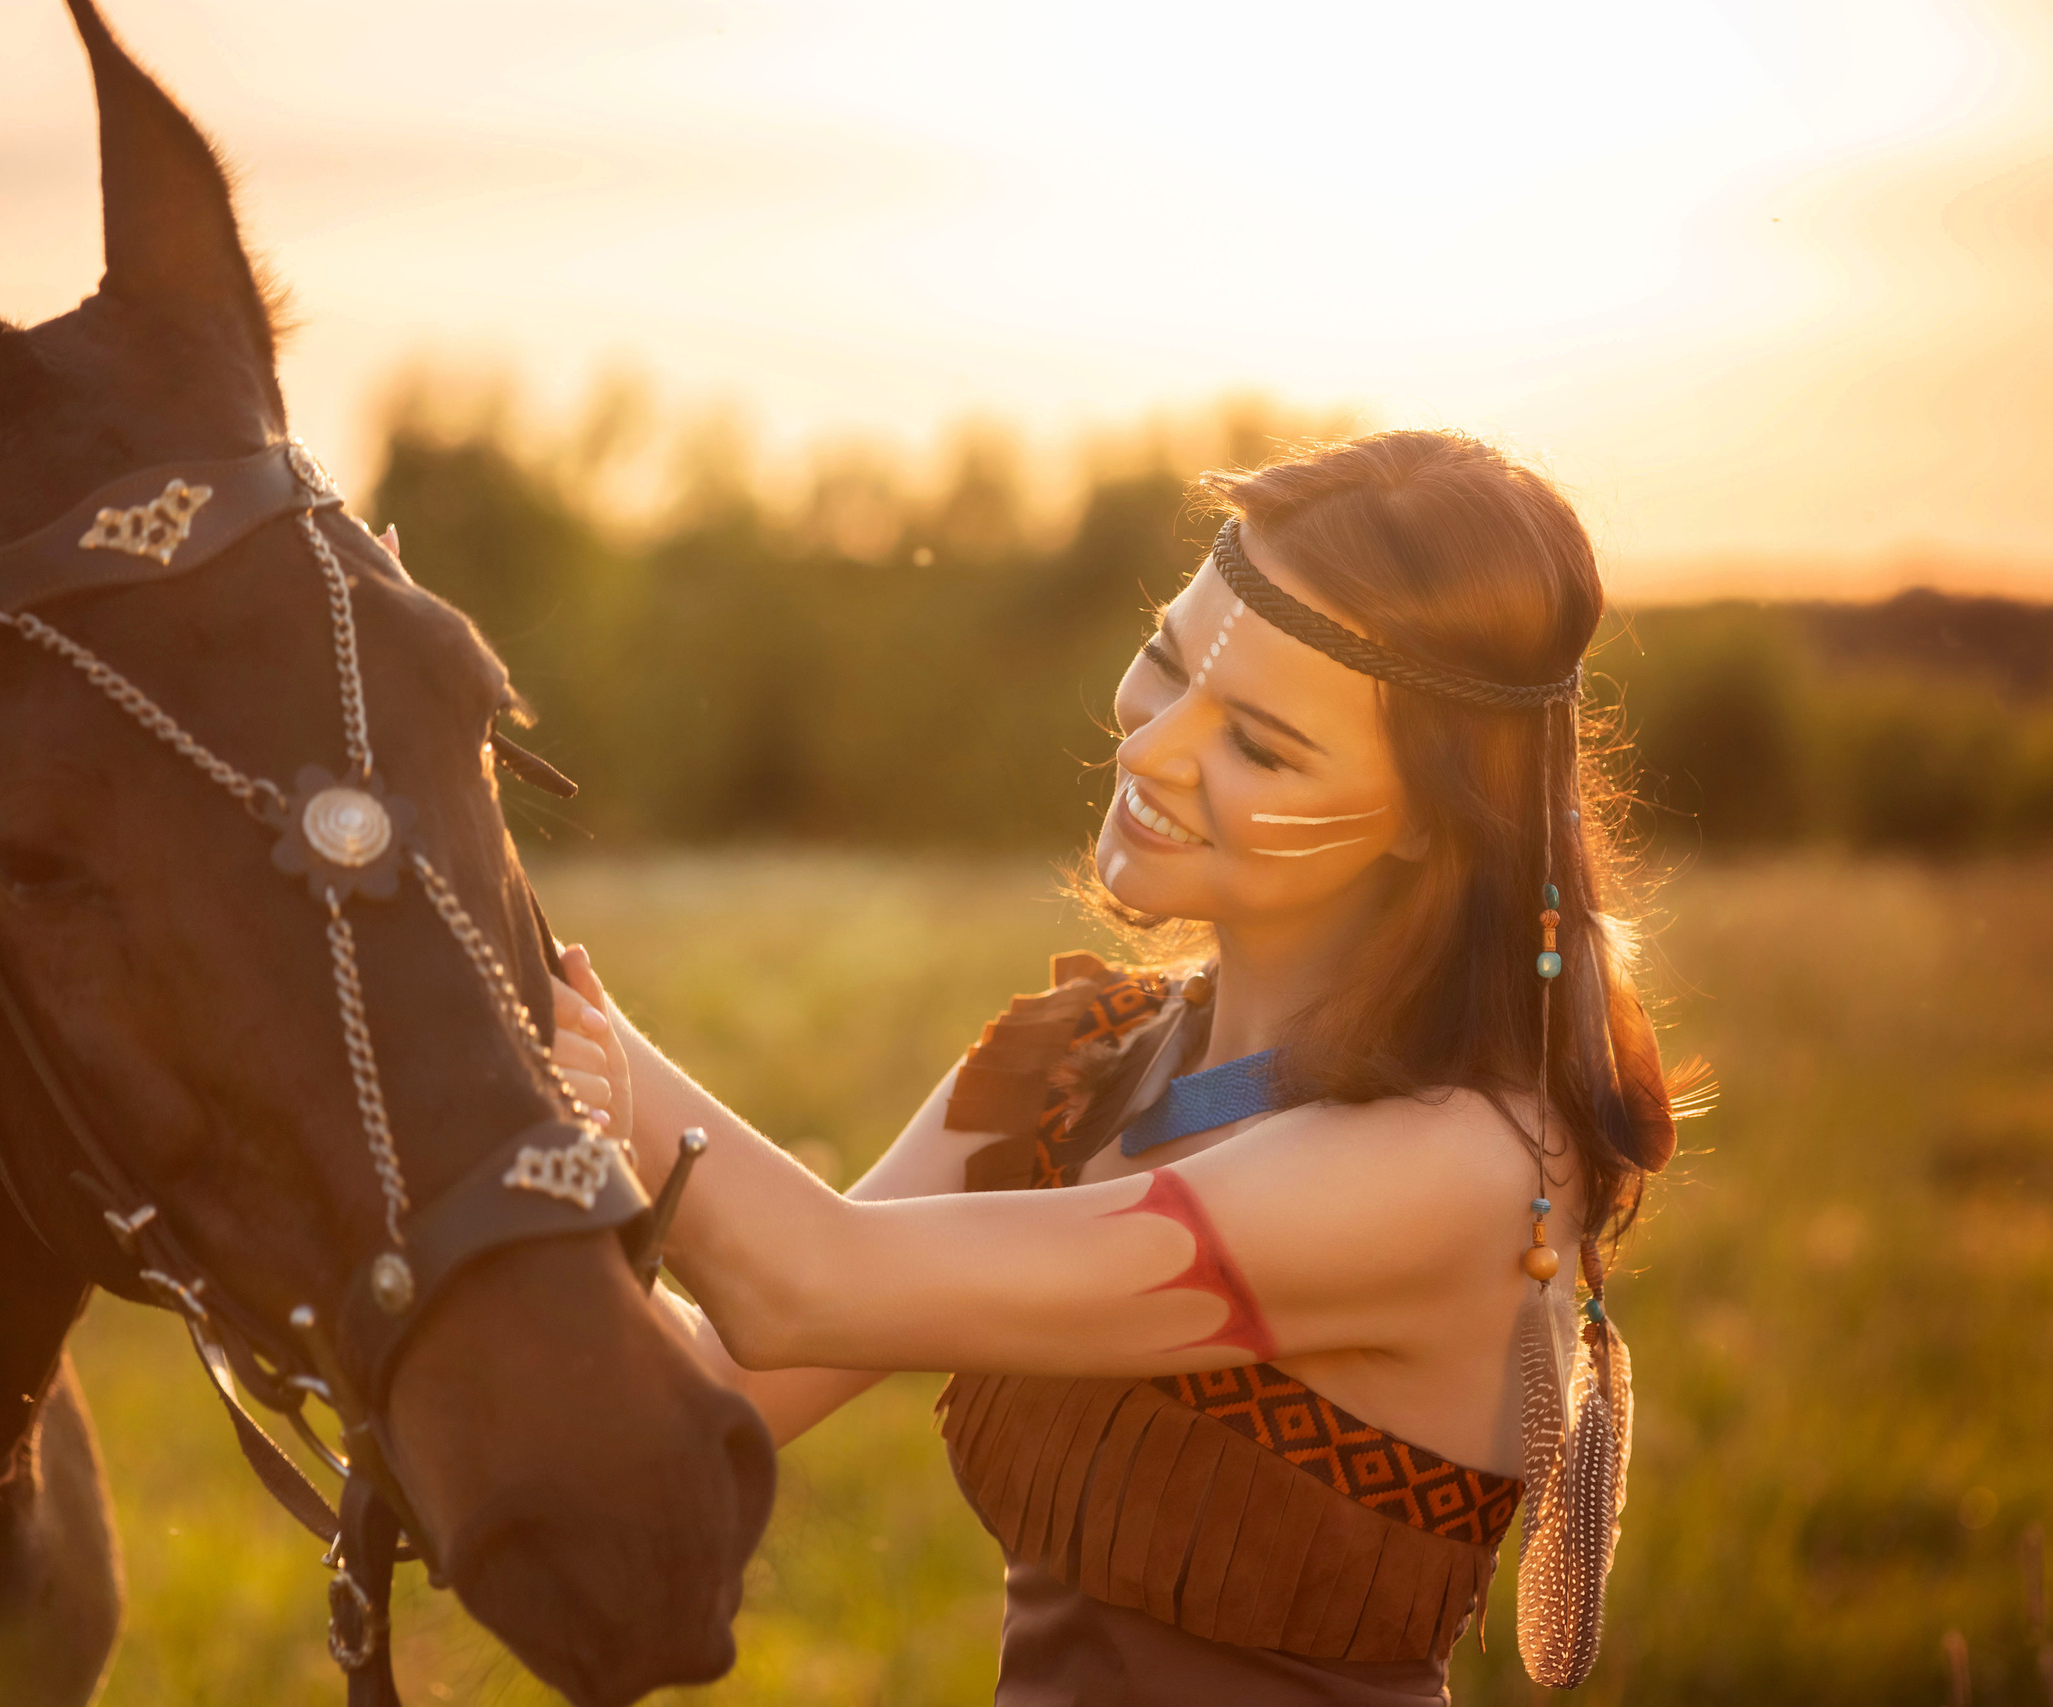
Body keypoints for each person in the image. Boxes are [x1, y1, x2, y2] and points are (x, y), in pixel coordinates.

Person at [546, 430, 1687, 1704]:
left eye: (1257, 745)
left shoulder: (1460, 1169)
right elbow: (719, 1389)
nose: (1148, 745)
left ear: (1434, 815)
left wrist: (527, 1006)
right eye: (1162, 659)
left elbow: (806, 1283)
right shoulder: (1080, 1065)